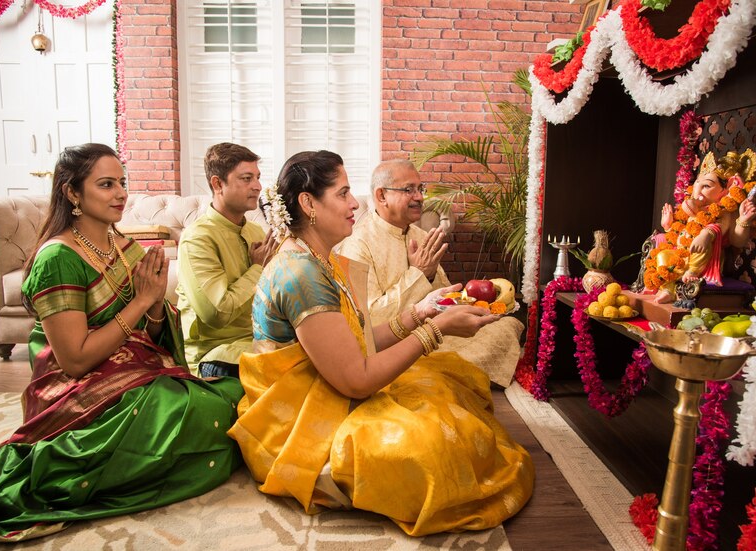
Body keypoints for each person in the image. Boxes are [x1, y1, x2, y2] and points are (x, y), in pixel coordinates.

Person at [229, 150, 534, 537]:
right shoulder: (300, 273)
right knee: (432, 446)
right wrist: (435, 331)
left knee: (450, 387)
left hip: (328, 385)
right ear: (308, 203)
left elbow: (357, 338)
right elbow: (356, 380)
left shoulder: (317, 259)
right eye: (342, 194)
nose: (355, 203)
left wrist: (420, 314)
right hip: (300, 415)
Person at [0, 144, 243, 542]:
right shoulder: (57, 259)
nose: (120, 194)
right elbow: (76, 360)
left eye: (122, 183)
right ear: (72, 193)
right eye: (106, 184)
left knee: (234, 394)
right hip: (81, 392)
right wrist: (141, 302)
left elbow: (152, 334)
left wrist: (152, 310)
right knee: (205, 413)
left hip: (133, 372)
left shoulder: (122, 246)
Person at [338, 159, 524, 386]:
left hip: (432, 326)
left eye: (420, 189)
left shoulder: (420, 235)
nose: (419, 197)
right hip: (394, 344)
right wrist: (419, 273)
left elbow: (444, 299)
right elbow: (370, 320)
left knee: (504, 326)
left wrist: (468, 304)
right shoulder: (357, 244)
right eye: (409, 190)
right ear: (381, 196)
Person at [175, 142, 276, 377]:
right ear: (218, 184)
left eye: (258, 178)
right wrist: (258, 268)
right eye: (246, 178)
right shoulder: (197, 239)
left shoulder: (255, 233)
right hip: (215, 356)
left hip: (259, 342)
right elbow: (216, 313)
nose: (258, 186)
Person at [645, 149, 756, 303]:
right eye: (697, 184)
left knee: (706, 237)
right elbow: (680, 233)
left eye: (707, 186)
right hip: (681, 254)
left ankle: (691, 272)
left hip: (703, 259)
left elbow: (735, 240)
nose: (697, 191)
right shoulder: (694, 208)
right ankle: (667, 289)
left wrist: (742, 220)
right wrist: (668, 226)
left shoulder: (723, 211)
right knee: (661, 254)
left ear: (725, 191)